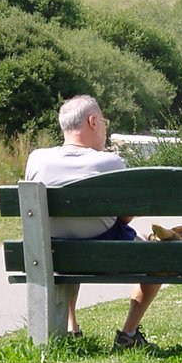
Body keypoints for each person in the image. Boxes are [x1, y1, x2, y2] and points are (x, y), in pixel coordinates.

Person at [24, 95, 159, 349]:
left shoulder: (37, 159)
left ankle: (70, 326)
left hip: (53, 254)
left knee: (70, 238)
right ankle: (128, 334)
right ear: (93, 121)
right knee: (156, 256)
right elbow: (125, 217)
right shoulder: (111, 162)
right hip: (107, 255)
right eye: (104, 122)